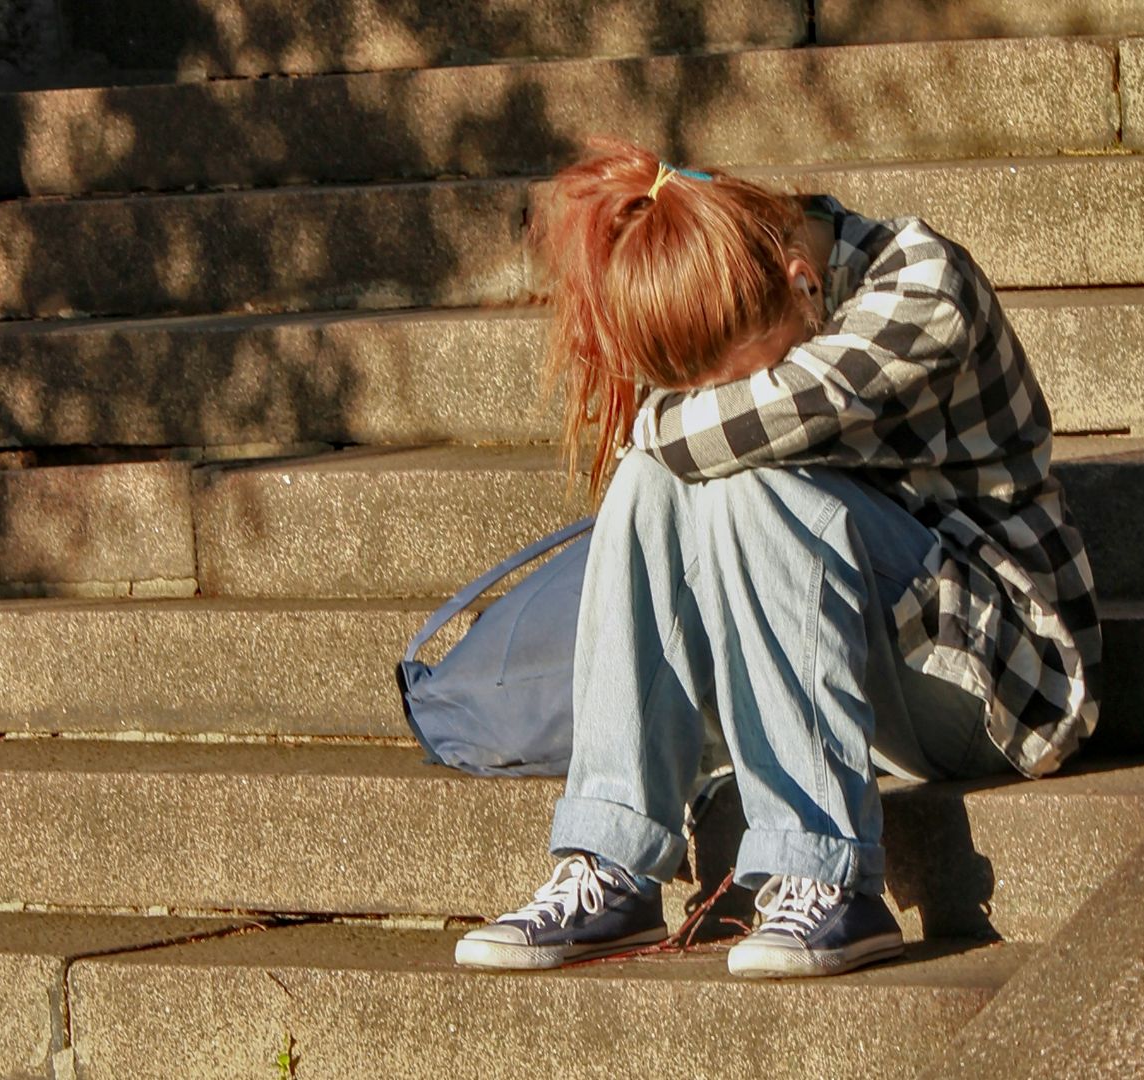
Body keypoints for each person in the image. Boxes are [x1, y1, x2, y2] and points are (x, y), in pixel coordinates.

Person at [453, 140, 1103, 979]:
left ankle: (825, 877)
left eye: (739, 375)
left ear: (802, 279)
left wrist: (661, 425)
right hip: (863, 671)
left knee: (736, 476)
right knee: (665, 483)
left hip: (1002, 679)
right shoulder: (759, 292)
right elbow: (685, 448)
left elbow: (703, 434)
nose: (719, 397)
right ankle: (611, 857)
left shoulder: (920, 286)